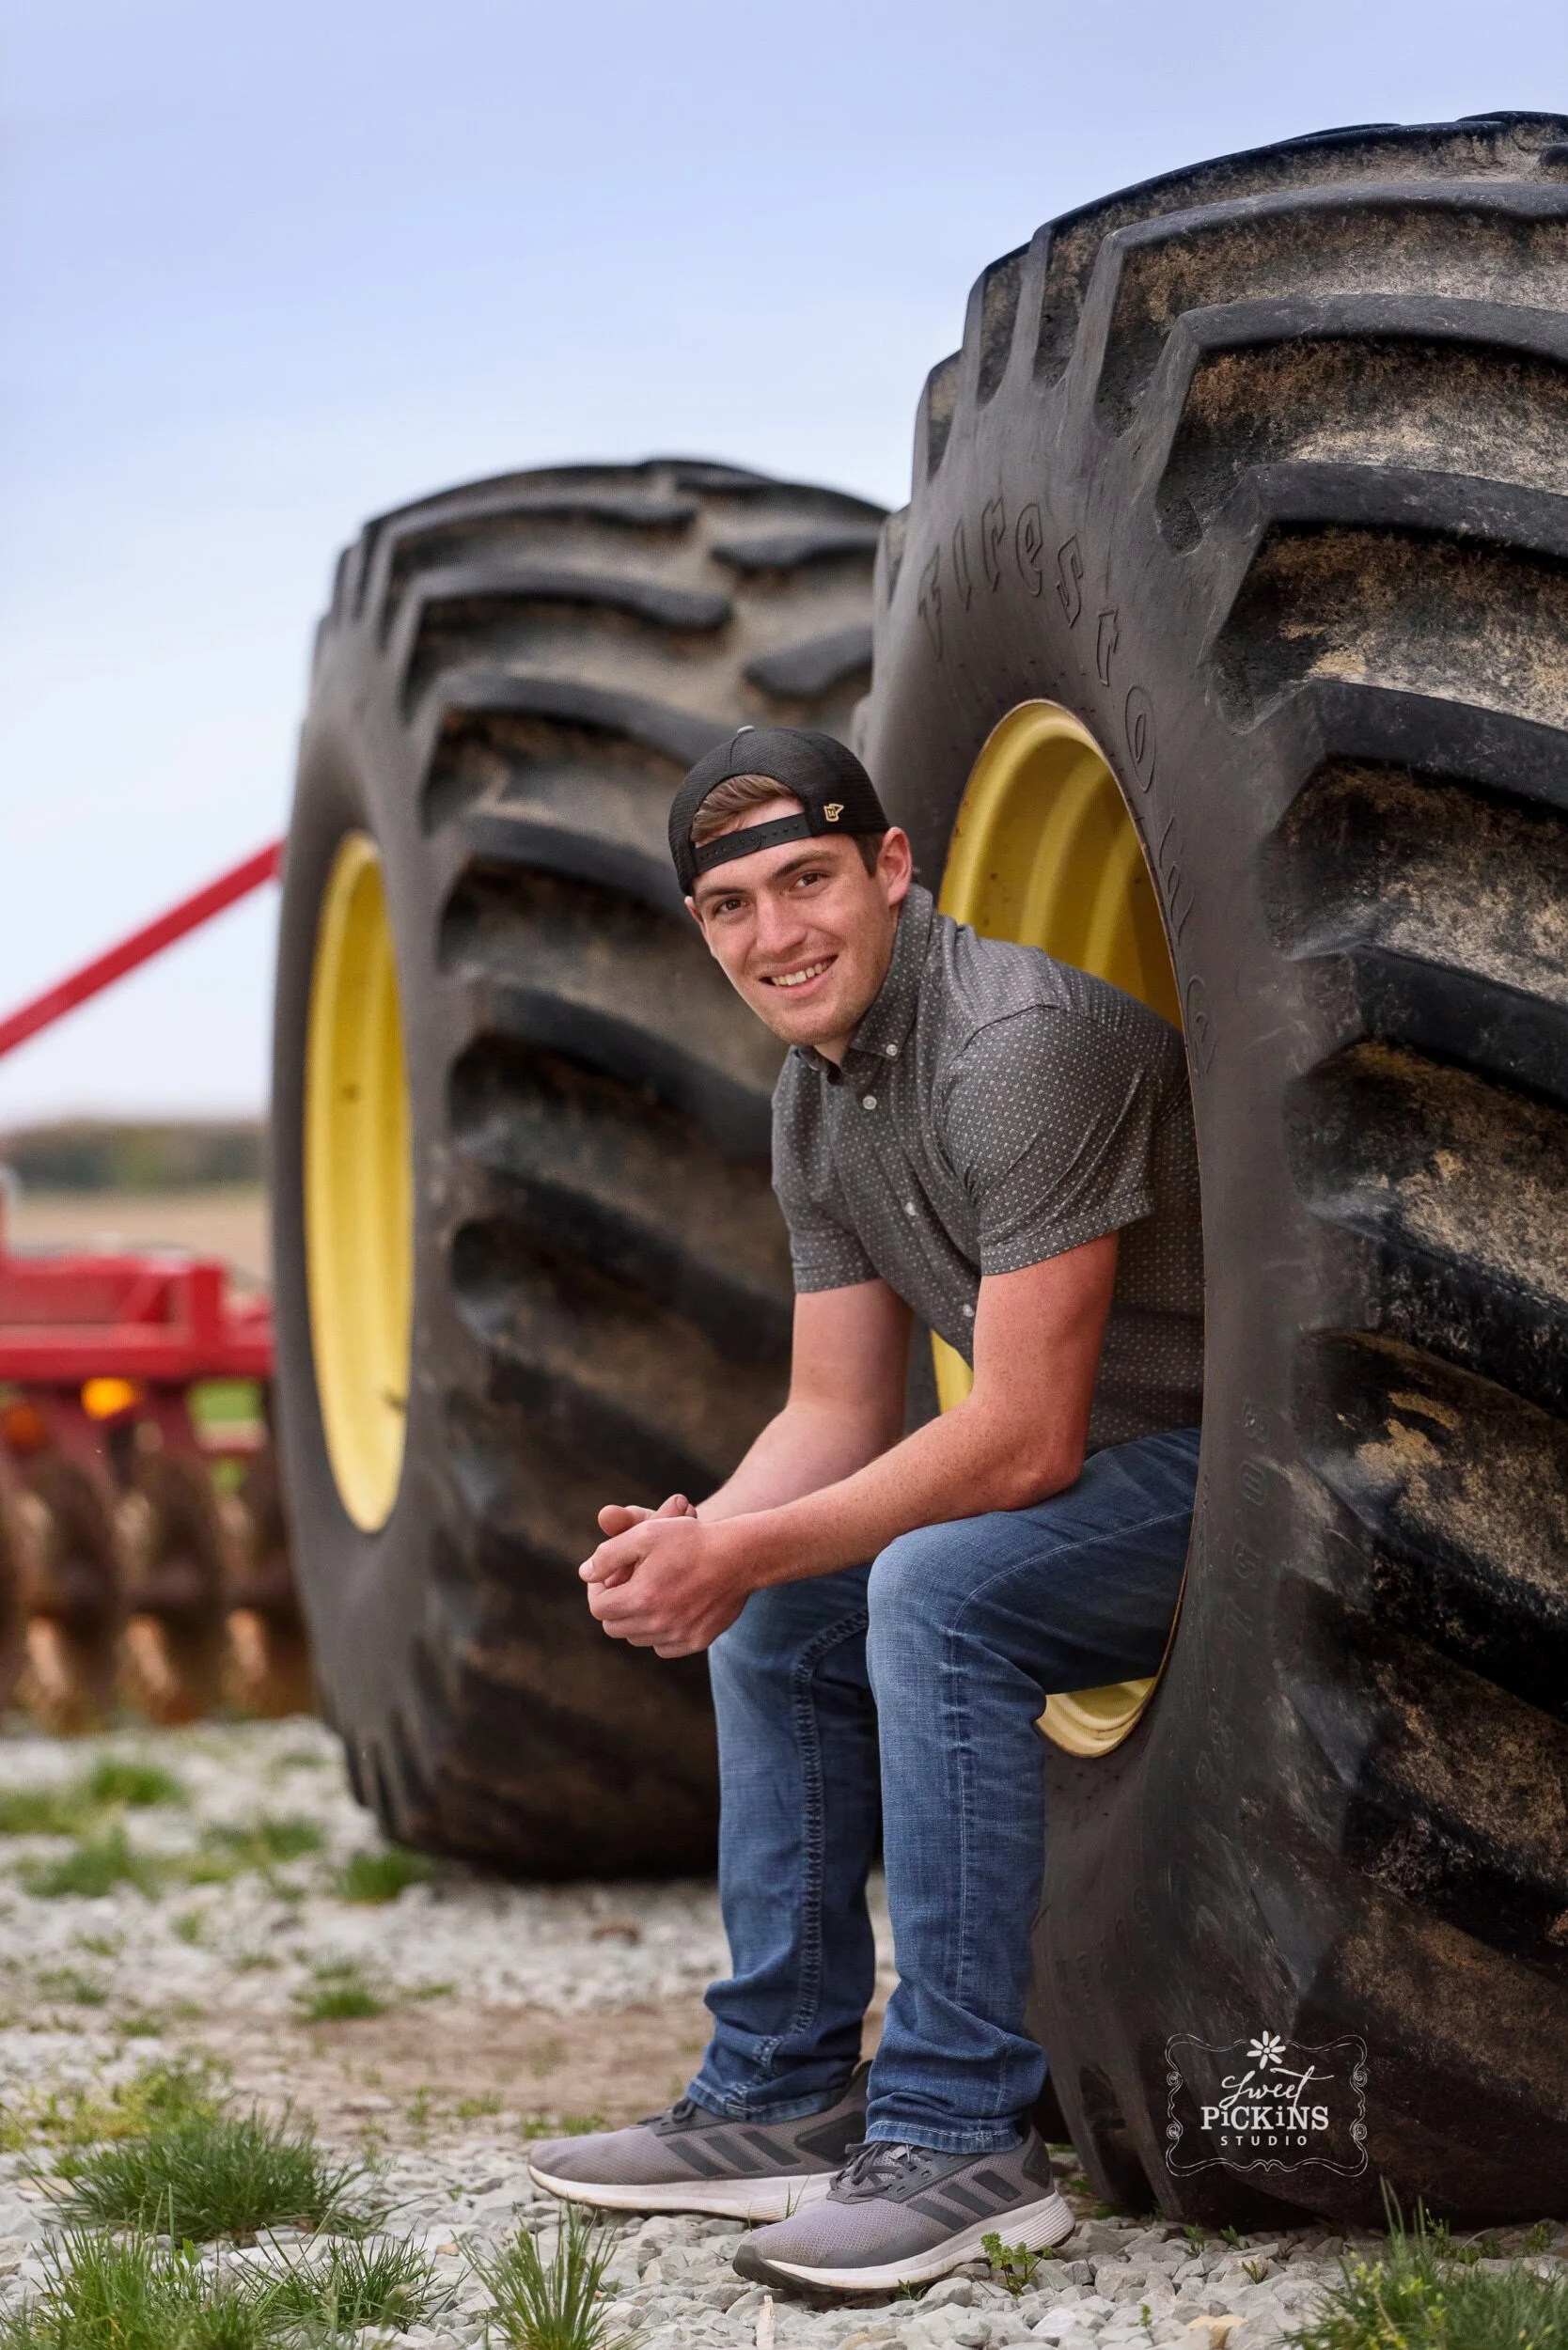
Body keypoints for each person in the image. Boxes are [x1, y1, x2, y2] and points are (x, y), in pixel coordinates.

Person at [527, 727, 1203, 2293]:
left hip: (1226, 1480)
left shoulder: (1015, 1042)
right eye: (734, 908)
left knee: (936, 1589)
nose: (779, 936)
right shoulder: (814, 1097)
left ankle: (965, 2135)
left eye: (810, 880)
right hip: (1084, 1482)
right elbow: (832, 1412)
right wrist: (700, 1545)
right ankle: (779, 2094)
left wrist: (749, 1546)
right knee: (785, 1598)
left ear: (894, 870)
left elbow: (1024, 1440)